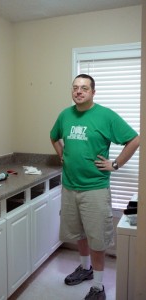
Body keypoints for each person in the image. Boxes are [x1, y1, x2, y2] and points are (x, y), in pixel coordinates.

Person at [50, 74, 140, 300]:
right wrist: (62, 154)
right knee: (79, 233)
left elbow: (135, 139)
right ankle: (85, 268)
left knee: (97, 238)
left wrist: (116, 164)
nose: (78, 91)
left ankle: (99, 287)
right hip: (70, 187)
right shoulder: (65, 115)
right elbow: (54, 137)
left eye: (84, 88)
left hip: (95, 189)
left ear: (93, 92)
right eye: (75, 88)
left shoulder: (105, 116)